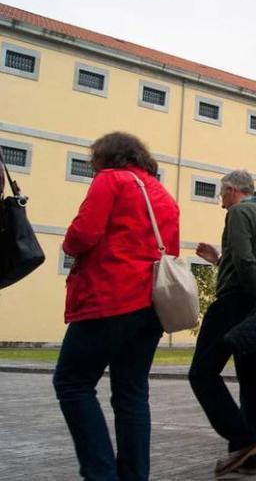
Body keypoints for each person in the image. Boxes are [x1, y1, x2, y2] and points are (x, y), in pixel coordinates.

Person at [53, 132, 179, 481]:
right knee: (132, 393)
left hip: (110, 296)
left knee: (72, 383)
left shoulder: (110, 181)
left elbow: (82, 235)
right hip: (150, 306)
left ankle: (100, 473)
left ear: (105, 157)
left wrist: (68, 240)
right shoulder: (163, 195)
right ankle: (134, 475)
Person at [188, 169, 256, 477]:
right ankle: (249, 458)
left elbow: (244, 259)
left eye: (220, 195)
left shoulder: (239, 212)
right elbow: (248, 260)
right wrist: (219, 260)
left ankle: (241, 440)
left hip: (235, 302)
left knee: (201, 373)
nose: (221, 203)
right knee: (253, 381)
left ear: (230, 190)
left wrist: (254, 294)